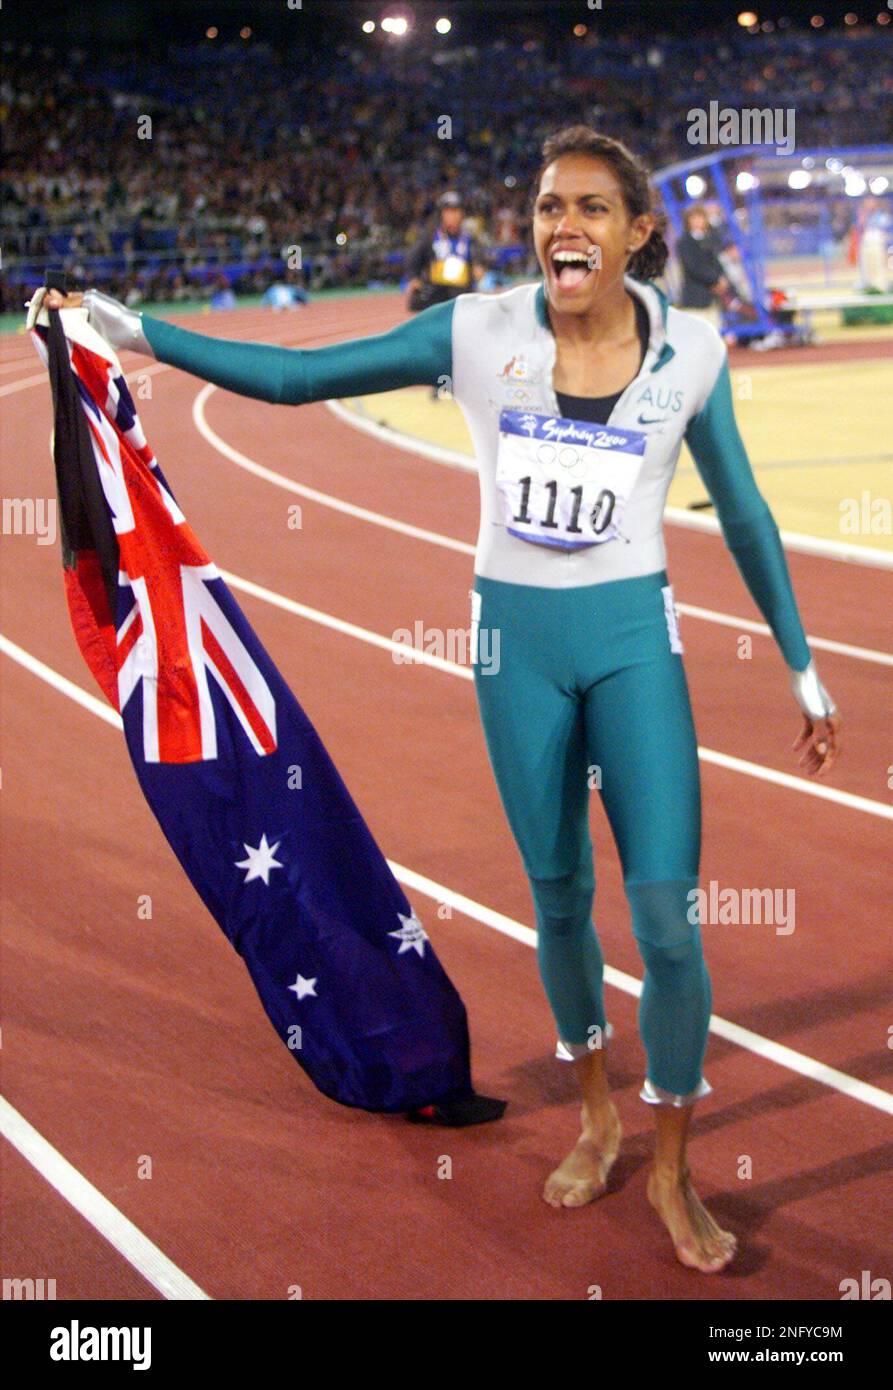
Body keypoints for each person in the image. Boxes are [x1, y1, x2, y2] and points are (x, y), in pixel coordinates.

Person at [42, 125, 842, 1275]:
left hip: (630, 642)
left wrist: (800, 664)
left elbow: (749, 514)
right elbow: (298, 377)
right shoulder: (477, 331)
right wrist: (136, 332)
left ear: (637, 231)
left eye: (589, 208)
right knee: (557, 898)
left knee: (666, 920)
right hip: (515, 650)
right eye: (545, 205)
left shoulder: (696, 353)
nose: (561, 225)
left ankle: (671, 1165)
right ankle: (596, 1114)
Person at [404, 191, 485, 313]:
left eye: (456, 211)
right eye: (448, 212)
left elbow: (479, 258)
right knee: (417, 299)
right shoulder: (430, 237)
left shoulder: (469, 239)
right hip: (437, 290)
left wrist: (478, 267)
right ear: (441, 214)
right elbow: (413, 257)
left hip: (461, 290)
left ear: (462, 214)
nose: (452, 216)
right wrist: (413, 277)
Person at [675, 203, 729, 326]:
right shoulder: (684, 242)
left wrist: (721, 279)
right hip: (695, 299)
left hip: (711, 298)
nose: (698, 222)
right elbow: (693, 267)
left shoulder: (710, 240)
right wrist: (714, 279)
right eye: (694, 218)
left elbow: (716, 262)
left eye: (700, 218)